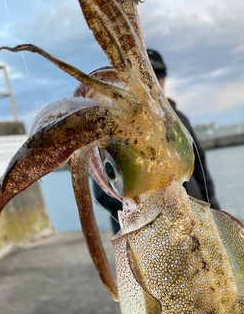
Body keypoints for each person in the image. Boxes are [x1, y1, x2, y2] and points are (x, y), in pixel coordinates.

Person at [94, 49, 220, 234]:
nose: (148, 85)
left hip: (195, 226)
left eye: (154, 77)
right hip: (145, 235)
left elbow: (201, 170)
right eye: (140, 78)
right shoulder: (111, 133)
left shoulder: (180, 120)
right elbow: (102, 194)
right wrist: (144, 199)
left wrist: (214, 212)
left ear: (162, 81)